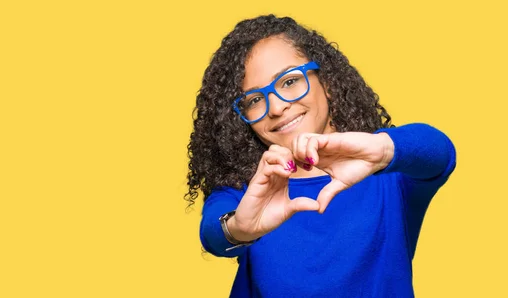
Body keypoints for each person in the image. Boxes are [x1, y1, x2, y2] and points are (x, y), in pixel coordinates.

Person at [185, 14, 456, 298]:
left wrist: (383, 149)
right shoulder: (252, 190)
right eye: (254, 100)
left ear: (325, 80)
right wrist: (239, 228)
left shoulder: (388, 174)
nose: (276, 107)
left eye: (289, 81)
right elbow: (213, 233)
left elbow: (439, 152)